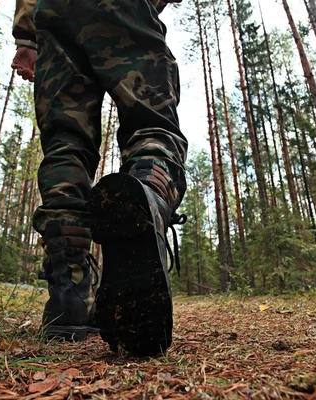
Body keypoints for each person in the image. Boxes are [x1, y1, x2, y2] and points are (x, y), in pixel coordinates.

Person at [11, 0, 188, 356]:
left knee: (66, 143)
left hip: (55, 14)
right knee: (151, 122)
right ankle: (149, 194)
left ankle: (70, 293)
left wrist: (27, 39)